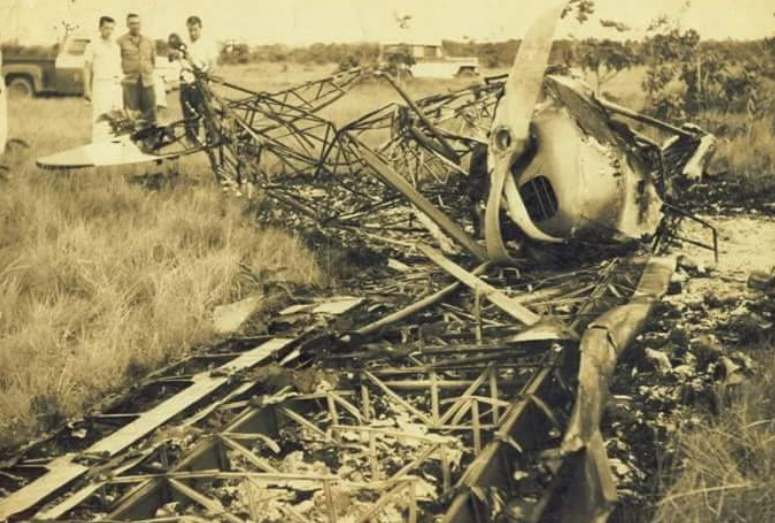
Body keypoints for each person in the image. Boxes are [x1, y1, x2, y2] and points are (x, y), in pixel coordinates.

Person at [175, 15, 219, 143]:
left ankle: (212, 140)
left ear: (200, 28)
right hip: (186, 83)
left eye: (195, 29)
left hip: (201, 82)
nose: (193, 33)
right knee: (189, 115)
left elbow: (213, 64)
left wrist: (207, 80)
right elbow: (178, 59)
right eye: (190, 30)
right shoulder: (184, 44)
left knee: (206, 112)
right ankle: (192, 142)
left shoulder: (208, 43)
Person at [83, 16, 122, 142]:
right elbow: (86, 67)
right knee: (100, 118)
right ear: (100, 28)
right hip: (101, 85)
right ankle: (98, 149)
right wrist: (87, 89)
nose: (109, 31)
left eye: (111, 28)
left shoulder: (115, 46)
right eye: (106, 28)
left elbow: (119, 68)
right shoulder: (92, 45)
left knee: (116, 118)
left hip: (115, 85)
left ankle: (113, 149)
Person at [117, 13, 156, 124]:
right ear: (127, 24)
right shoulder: (120, 42)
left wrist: (147, 72)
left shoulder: (149, 41)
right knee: (131, 117)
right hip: (130, 83)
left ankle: (150, 140)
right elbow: (116, 62)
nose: (135, 26)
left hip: (147, 83)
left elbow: (153, 61)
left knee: (150, 115)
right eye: (132, 23)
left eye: (138, 23)